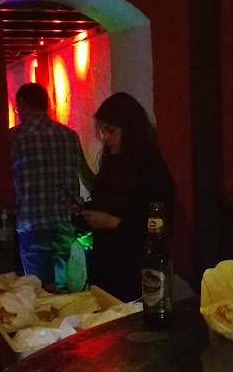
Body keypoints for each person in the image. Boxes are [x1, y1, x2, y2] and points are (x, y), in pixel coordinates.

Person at [80, 93, 175, 300]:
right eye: (102, 131)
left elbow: (157, 229)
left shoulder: (151, 169)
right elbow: (109, 204)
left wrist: (111, 222)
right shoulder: (113, 164)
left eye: (110, 131)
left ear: (129, 128)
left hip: (135, 274)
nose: (105, 138)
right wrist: (85, 212)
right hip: (107, 270)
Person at [10, 83, 94, 291]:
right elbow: (87, 177)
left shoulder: (14, 137)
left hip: (32, 225)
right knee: (66, 289)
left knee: (37, 291)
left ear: (22, 104)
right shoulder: (70, 136)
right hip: (64, 225)